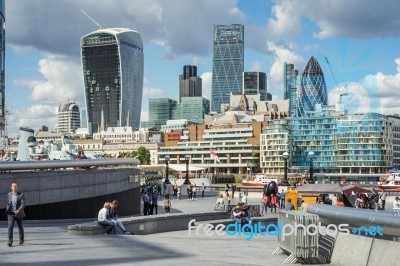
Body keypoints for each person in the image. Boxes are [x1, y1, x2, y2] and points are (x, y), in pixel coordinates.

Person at [6, 182, 25, 247]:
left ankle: (21, 239)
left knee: (20, 227)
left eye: (15, 186)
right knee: (10, 227)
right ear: (11, 187)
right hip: (11, 214)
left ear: (17, 187)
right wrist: (8, 209)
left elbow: (23, 204)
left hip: (19, 214)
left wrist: (18, 210)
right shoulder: (9, 194)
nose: (14, 187)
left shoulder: (21, 194)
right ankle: (10, 241)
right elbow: (8, 202)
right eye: (13, 186)